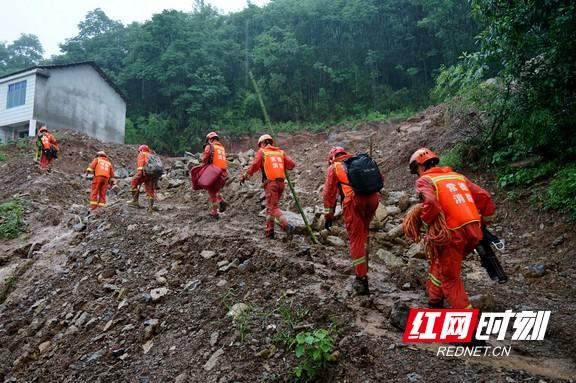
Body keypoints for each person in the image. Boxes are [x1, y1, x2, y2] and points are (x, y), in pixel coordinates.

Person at [409, 148, 496, 308]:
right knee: (441, 263)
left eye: (417, 171)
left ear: (420, 167)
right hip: (473, 231)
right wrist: (483, 221)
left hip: (453, 235)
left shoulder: (425, 180)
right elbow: (485, 197)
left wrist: (428, 224)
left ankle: (470, 328)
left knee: (451, 279)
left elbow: (431, 203)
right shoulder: (457, 177)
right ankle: (435, 301)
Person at [323, 147, 380, 295]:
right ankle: (364, 269)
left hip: (354, 201)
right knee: (364, 233)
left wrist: (328, 216)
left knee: (356, 239)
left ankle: (361, 280)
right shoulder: (358, 161)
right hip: (373, 199)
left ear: (331, 158)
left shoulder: (334, 167)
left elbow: (329, 194)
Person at [240, 134, 295, 238]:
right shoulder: (280, 152)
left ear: (262, 143)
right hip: (281, 184)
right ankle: (269, 232)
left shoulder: (262, 152)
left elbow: (254, 166)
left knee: (273, 207)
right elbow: (291, 165)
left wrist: (244, 176)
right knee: (270, 208)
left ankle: (286, 225)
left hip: (271, 184)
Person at [203, 132, 228, 219]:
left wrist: (202, 166)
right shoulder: (221, 148)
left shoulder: (210, 146)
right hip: (222, 174)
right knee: (215, 190)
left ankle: (214, 213)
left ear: (210, 139)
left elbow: (205, 157)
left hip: (213, 172)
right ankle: (221, 200)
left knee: (211, 192)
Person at [128, 144, 158, 212]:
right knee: (150, 190)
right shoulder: (152, 155)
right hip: (152, 175)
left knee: (133, 182)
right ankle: (150, 208)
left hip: (144, 173)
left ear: (140, 150)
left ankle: (135, 201)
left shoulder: (142, 154)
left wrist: (139, 174)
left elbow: (141, 164)